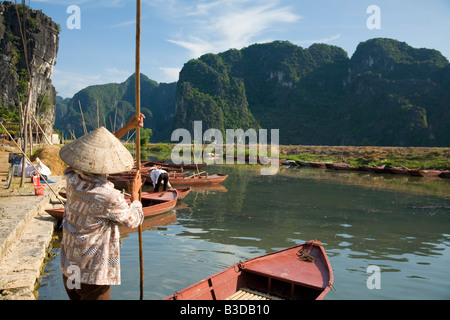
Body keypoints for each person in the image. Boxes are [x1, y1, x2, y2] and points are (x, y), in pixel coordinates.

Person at [58, 114, 145, 300]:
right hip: (92, 276)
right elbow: (134, 220)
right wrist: (136, 195)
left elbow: (99, 152)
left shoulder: (72, 178)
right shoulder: (108, 196)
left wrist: (127, 128)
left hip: (70, 269)